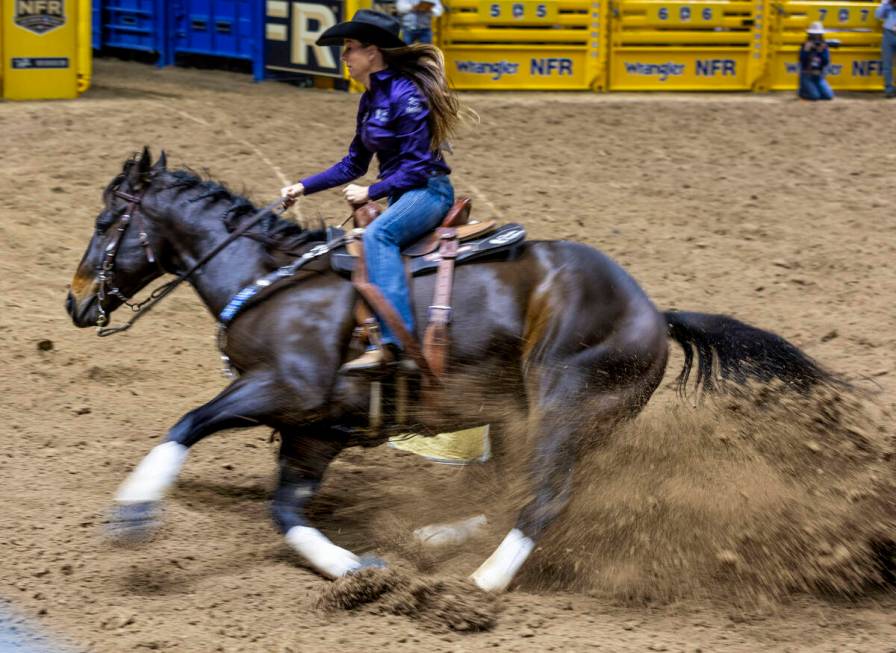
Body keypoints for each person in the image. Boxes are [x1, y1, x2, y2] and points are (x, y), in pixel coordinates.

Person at [280, 9, 472, 373]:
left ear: (373, 52)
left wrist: (371, 192)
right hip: (404, 194)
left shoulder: (407, 95)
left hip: (427, 192)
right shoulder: (370, 99)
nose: (345, 57)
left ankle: (395, 344)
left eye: (350, 47)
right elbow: (353, 163)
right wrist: (302, 187)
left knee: (379, 236)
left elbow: (416, 169)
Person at [798, 22, 835, 101]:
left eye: (817, 35)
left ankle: (810, 89)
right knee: (814, 96)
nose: (815, 37)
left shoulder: (823, 46)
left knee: (828, 96)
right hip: (807, 75)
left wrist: (821, 52)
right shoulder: (805, 45)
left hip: (819, 76)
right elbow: (802, 60)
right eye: (813, 35)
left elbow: (826, 61)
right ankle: (803, 91)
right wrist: (806, 51)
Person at [876, 0, 896, 97]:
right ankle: (889, 89)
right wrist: (887, 3)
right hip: (889, 33)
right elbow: (878, 15)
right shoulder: (887, 5)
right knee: (887, 64)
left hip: (889, 33)